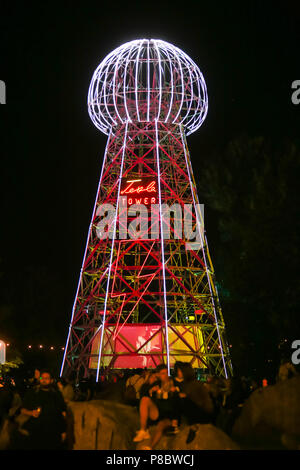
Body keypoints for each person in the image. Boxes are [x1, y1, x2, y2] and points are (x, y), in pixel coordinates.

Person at [133, 364, 180, 449]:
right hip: (158, 412)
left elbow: (177, 401)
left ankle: (150, 447)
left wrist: (175, 392)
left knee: (161, 426)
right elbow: (146, 394)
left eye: (166, 373)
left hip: (169, 416)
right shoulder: (156, 384)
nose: (165, 375)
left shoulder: (173, 383)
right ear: (158, 375)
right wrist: (151, 391)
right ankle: (143, 430)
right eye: (162, 373)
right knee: (144, 399)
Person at [19, 370, 67, 449]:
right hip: (36, 431)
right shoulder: (33, 392)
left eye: (47, 378)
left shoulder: (56, 394)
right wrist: (31, 413)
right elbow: (22, 409)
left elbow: (63, 413)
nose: (44, 380)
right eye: (42, 378)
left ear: (51, 380)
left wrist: (63, 430)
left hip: (53, 432)